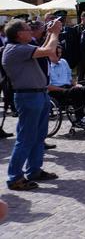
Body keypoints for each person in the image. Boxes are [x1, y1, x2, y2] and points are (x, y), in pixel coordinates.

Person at [4, 18, 61, 191]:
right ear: (19, 34)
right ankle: (15, 177)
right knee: (25, 138)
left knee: (38, 136)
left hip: (38, 95)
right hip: (28, 97)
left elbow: (44, 50)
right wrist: (55, 33)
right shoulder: (15, 49)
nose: (31, 32)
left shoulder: (22, 48)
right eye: (28, 29)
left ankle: (34, 170)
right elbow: (50, 50)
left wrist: (51, 33)